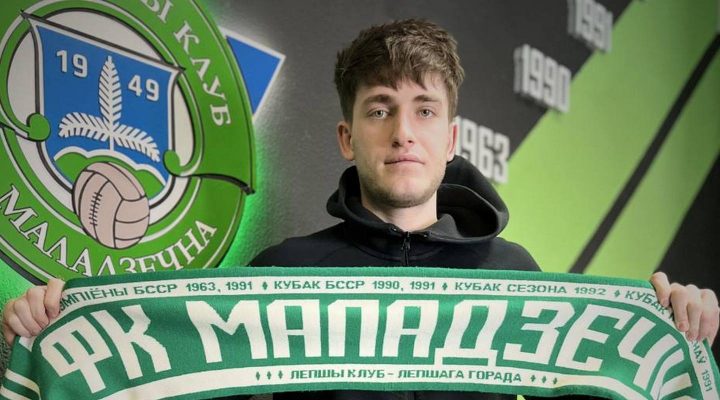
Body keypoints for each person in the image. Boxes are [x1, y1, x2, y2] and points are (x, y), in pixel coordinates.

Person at [3, 18, 719, 400]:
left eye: (424, 110)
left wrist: (673, 330)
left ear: (451, 139)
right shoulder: (280, 273)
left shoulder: (517, 276)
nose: (403, 131)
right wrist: (52, 339)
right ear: (349, 137)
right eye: (380, 109)